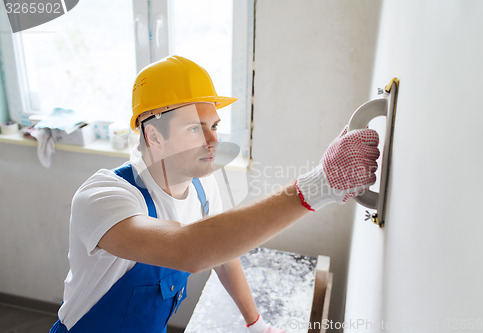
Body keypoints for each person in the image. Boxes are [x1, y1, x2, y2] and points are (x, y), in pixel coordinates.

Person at [49, 55, 379, 333]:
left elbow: (221, 253)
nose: (213, 141)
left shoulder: (202, 186)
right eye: (195, 128)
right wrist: (317, 186)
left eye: (214, 126)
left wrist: (256, 324)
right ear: (154, 136)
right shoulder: (104, 196)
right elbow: (187, 249)